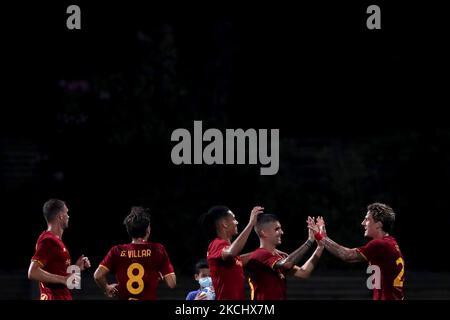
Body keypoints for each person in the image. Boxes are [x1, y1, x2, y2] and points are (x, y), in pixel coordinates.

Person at [308, 203, 405, 300]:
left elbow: (347, 255)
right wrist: (325, 238)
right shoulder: (390, 243)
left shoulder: (380, 245)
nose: (363, 223)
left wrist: (319, 237)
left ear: (378, 225)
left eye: (367, 219)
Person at [94, 206, 176, 300]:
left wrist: (106, 288)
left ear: (129, 231)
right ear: (148, 230)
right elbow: (172, 284)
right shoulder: (157, 249)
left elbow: (98, 276)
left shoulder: (116, 251)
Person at [246, 214, 324, 300]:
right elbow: (287, 264)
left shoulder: (281, 256)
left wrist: (319, 247)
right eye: (277, 229)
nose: (281, 232)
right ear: (264, 232)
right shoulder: (259, 255)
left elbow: (304, 273)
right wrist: (309, 241)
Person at [28, 199, 91, 300]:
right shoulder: (48, 241)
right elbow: (32, 272)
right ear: (60, 216)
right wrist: (64, 279)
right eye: (67, 212)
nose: (68, 216)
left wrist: (77, 268)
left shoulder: (56, 241)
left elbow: (68, 282)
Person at [201, 205, 263, 300]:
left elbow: (239, 258)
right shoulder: (216, 244)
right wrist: (250, 224)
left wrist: (268, 251)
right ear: (224, 223)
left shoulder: (229, 253)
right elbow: (232, 252)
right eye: (233, 219)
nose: (237, 222)